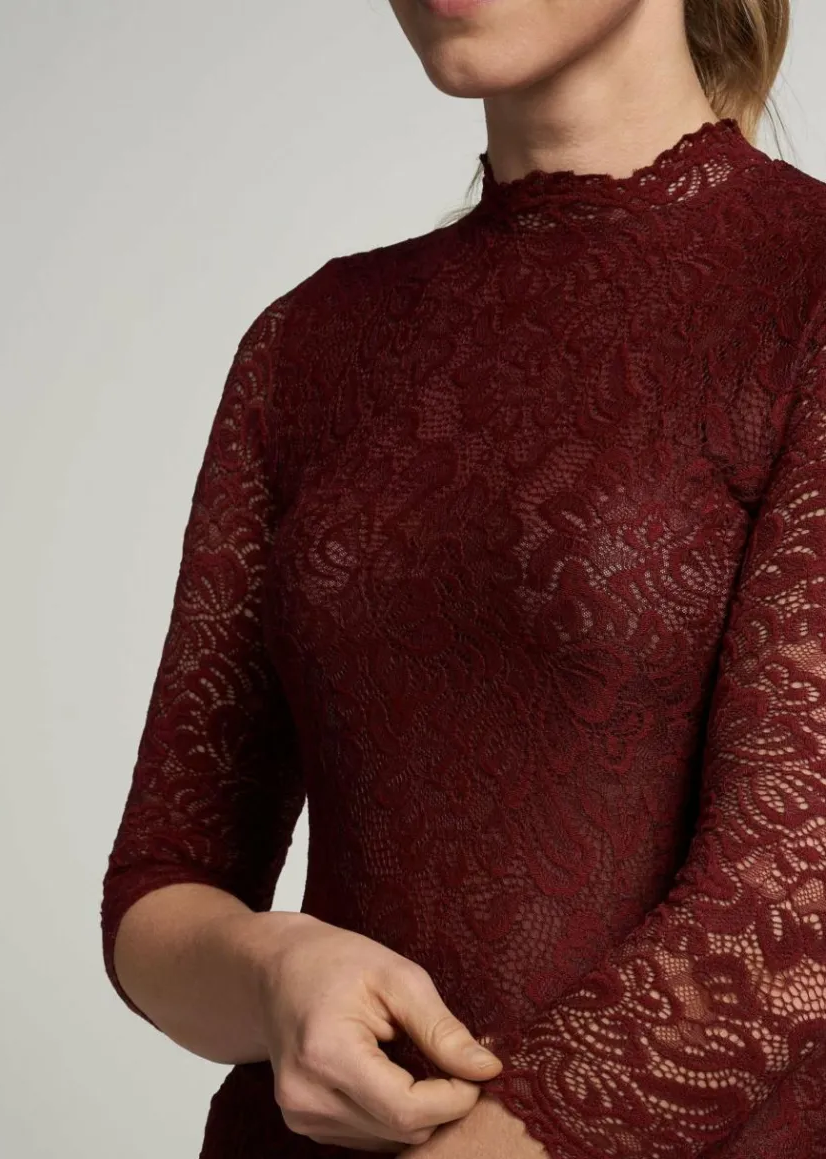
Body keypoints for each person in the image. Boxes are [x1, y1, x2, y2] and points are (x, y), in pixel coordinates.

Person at [100, 1, 826, 1156]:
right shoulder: (307, 344)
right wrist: (278, 971)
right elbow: (160, 885)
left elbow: (792, 894)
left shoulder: (801, 289)